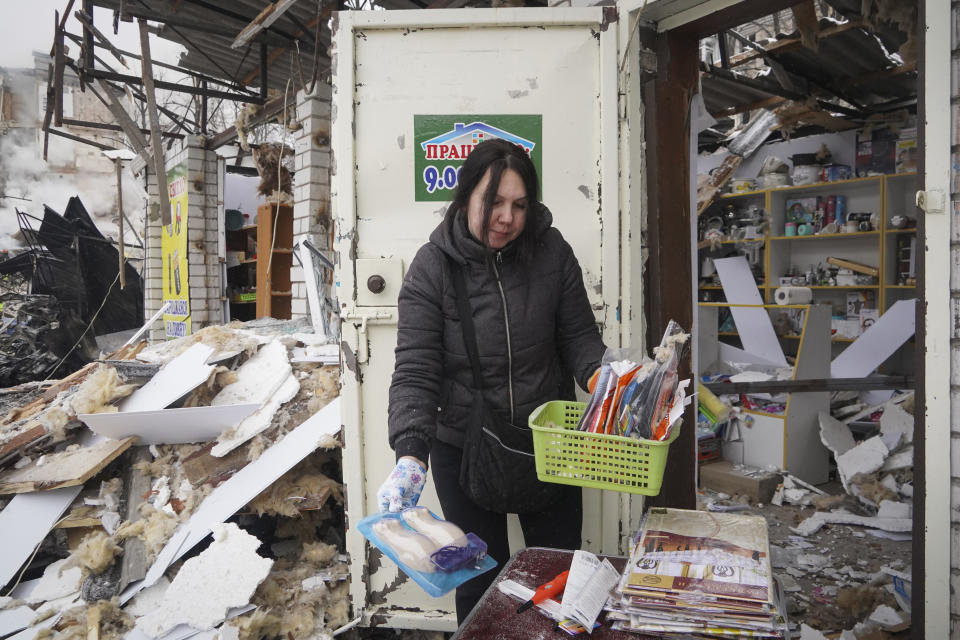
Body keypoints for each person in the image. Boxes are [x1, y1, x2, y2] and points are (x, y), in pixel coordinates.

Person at [376, 138, 606, 623]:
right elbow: (416, 367)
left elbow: (581, 339)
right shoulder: (433, 267)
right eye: (494, 202)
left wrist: (611, 380)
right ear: (465, 199)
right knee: (482, 586)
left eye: (520, 205)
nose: (507, 218)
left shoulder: (552, 251)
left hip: (552, 443)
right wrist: (411, 453)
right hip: (465, 446)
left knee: (556, 578)